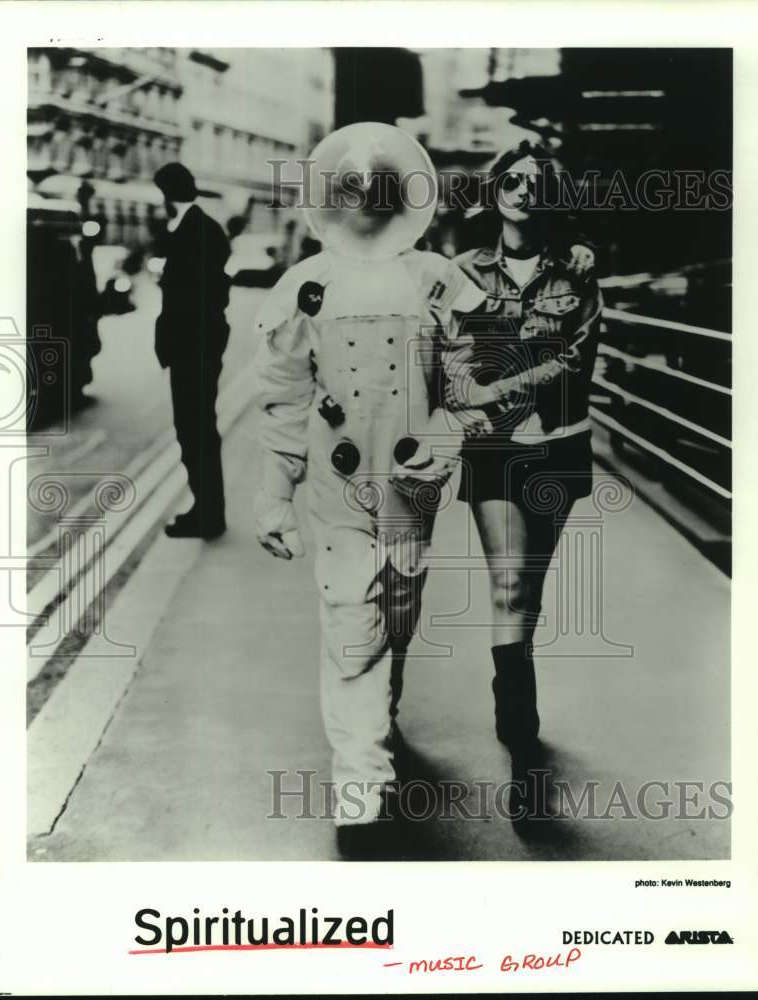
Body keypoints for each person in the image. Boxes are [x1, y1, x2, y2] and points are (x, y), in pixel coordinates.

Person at [252, 124, 487, 858]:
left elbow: (474, 388)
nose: (363, 198)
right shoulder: (303, 286)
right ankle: (362, 784)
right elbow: (284, 397)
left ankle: (377, 717)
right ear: (332, 194)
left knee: (397, 608)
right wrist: (271, 495)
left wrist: (448, 437)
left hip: (413, 485)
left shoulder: (437, 281)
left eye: (375, 186)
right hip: (338, 483)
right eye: (349, 186)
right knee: (351, 622)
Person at [445, 140, 602, 816]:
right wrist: (465, 399)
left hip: (558, 446)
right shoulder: (460, 270)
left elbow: (573, 359)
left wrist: (494, 391)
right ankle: (519, 730)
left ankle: (515, 696)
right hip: (493, 450)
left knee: (528, 590)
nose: (522, 191)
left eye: (536, 183)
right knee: (507, 583)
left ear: (551, 195)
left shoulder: (577, 272)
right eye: (511, 180)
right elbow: (446, 357)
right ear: (494, 190)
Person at [153, 163, 231, 539]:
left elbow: (194, 296)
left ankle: (209, 515)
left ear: (166, 194)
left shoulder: (195, 231)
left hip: (193, 347)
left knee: (195, 430)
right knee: (197, 430)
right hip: (197, 345)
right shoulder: (201, 229)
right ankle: (206, 508)